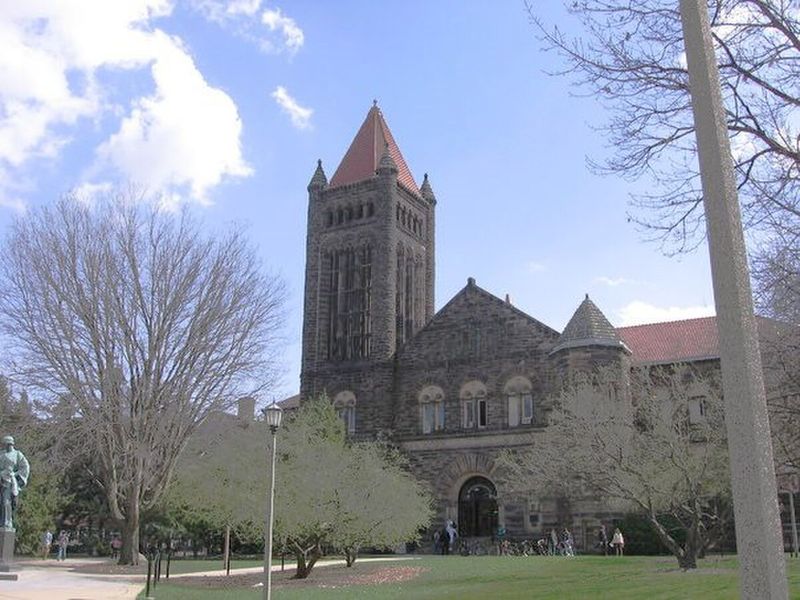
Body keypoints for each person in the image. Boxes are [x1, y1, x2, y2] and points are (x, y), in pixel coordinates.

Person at [0, 435, 30, 530]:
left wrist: (15, 474)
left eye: (7, 444)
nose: (5, 446)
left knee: (7, 502)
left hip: (10, 482)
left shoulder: (17, 454)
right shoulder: (1, 454)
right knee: (2, 502)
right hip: (1, 479)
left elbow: (25, 467)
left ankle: (7, 522)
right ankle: (2, 521)